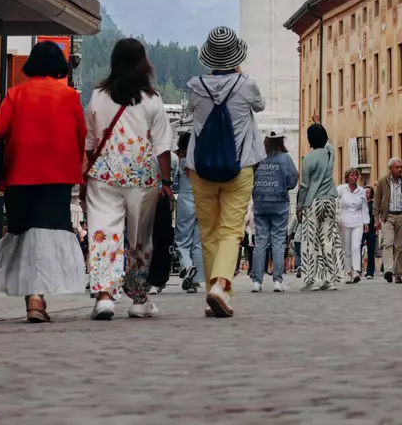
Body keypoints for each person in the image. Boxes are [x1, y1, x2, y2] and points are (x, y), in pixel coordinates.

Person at [0, 40, 88, 323]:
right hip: (58, 177)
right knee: (47, 237)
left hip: (20, 176)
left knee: (26, 236)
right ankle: (38, 297)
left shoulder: (16, 95)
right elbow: (80, 137)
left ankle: (33, 297)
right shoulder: (70, 97)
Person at [84, 37, 176, 320]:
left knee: (102, 233)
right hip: (142, 177)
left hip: (103, 175)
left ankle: (104, 296)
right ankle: (138, 298)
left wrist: (86, 172)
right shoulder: (152, 99)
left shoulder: (99, 95)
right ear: (143, 64)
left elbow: (89, 141)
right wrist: (167, 183)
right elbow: (162, 148)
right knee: (139, 238)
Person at [184, 27, 266, 318]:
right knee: (232, 230)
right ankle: (220, 286)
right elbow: (260, 105)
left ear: (209, 57)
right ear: (236, 56)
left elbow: (192, 111)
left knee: (208, 232)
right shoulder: (247, 85)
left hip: (201, 169)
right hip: (239, 167)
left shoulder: (195, 85)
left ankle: (213, 291)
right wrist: (239, 75)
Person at [251, 128, 298, 291]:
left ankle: (257, 281)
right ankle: (277, 281)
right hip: (279, 203)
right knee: (278, 241)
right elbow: (293, 180)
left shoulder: (258, 158)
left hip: (260, 202)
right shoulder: (285, 158)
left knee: (260, 241)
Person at [297, 123, 343, 291]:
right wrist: (320, 123)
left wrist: (299, 206)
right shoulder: (330, 153)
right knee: (329, 239)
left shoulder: (308, 158)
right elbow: (329, 143)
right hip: (331, 199)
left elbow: (304, 185)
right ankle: (330, 279)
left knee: (311, 241)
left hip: (313, 201)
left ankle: (311, 280)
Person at [374, 156, 402, 283]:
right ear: (390, 169)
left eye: (401, 167)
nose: (400, 169)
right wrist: (376, 218)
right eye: (397, 167)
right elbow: (377, 200)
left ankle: (397, 273)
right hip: (388, 217)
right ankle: (388, 270)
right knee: (388, 243)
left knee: (399, 246)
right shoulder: (382, 182)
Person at [172, 133, 202, 292]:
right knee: (197, 242)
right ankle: (195, 280)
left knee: (182, 240)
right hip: (202, 199)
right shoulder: (200, 159)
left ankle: (188, 266)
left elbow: (174, 183)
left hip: (185, 199)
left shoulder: (179, 160)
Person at [337, 168, 369, 284]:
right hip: (344, 221)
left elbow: (364, 207)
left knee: (356, 246)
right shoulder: (341, 189)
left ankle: (356, 271)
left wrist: (366, 222)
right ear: (347, 177)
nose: (354, 177)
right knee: (346, 249)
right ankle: (347, 271)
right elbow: (334, 200)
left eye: (356, 175)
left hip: (358, 221)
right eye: (352, 175)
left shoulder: (361, 191)